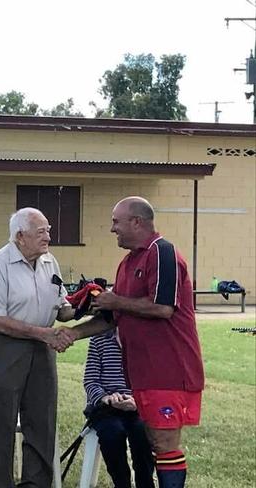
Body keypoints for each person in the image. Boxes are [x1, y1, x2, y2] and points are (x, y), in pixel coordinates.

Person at [60, 196, 204, 488]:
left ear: (137, 222)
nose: (112, 229)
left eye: (116, 221)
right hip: (142, 373)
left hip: (170, 371)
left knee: (164, 443)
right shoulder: (127, 263)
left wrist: (116, 300)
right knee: (154, 441)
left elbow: (164, 307)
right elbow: (111, 318)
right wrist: (71, 333)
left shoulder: (162, 253)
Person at [0, 207, 75, 487]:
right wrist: (43, 334)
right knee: (3, 425)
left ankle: (35, 484)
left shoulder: (49, 262)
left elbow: (62, 307)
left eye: (48, 230)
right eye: (41, 232)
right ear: (20, 236)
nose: (48, 237)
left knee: (42, 423)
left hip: (41, 350)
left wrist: (87, 304)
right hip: (4, 349)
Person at [83, 330, 155, 488]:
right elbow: (90, 380)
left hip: (137, 406)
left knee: (142, 432)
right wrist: (105, 398)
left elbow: (153, 381)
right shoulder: (99, 340)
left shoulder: (146, 342)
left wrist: (138, 401)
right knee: (112, 432)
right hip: (106, 408)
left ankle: (145, 483)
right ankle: (121, 483)